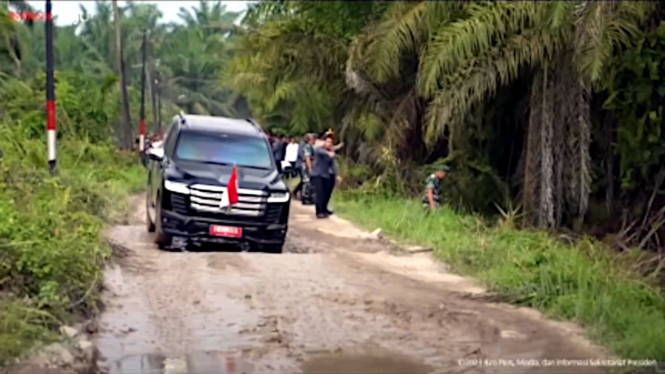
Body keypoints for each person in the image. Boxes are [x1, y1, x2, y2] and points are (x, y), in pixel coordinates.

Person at [311, 135, 339, 218]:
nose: (329, 144)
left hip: (326, 174)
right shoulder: (319, 149)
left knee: (327, 193)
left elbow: (333, 164)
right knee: (320, 193)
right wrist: (328, 153)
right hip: (318, 174)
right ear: (324, 142)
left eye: (330, 142)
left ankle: (324, 209)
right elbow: (318, 150)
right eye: (327, 142)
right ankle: (319, 212)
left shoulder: (330, 152)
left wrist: (337, 174)